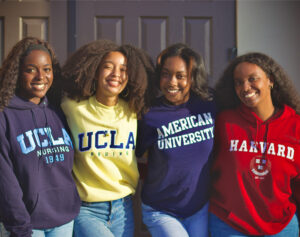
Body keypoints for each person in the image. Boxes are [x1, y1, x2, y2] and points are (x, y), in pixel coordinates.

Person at [60, 39, 153, 237]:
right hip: (87, 209)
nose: (116, 75)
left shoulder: (133, 110)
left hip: (124, 208)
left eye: (123, 69)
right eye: (108, 67)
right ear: (94, 71)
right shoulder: (73, 106)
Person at [209, 52, 300, 237]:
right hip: (231, 224)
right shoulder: (224, 122)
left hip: (281, 226)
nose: (245, 87)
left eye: (252, 79)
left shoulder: (295, 126)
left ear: (271, 80)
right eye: (238, 82)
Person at [0, 37, 80, 237]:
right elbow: (4, 180)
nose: (40, 76)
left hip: (63, 221)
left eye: (47, 69)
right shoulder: (5, 116)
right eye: (31, 69)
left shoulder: (58, 112)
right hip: (26, 225)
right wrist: (20, 227)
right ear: (17, 72)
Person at [136, 43, 216, 237]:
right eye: (165, 74)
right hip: (161, 209)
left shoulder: (209, 104)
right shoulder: (149, 113)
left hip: (199, 208)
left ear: (192, 77)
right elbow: (133, 156)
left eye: (180, 76)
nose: (171, 82)